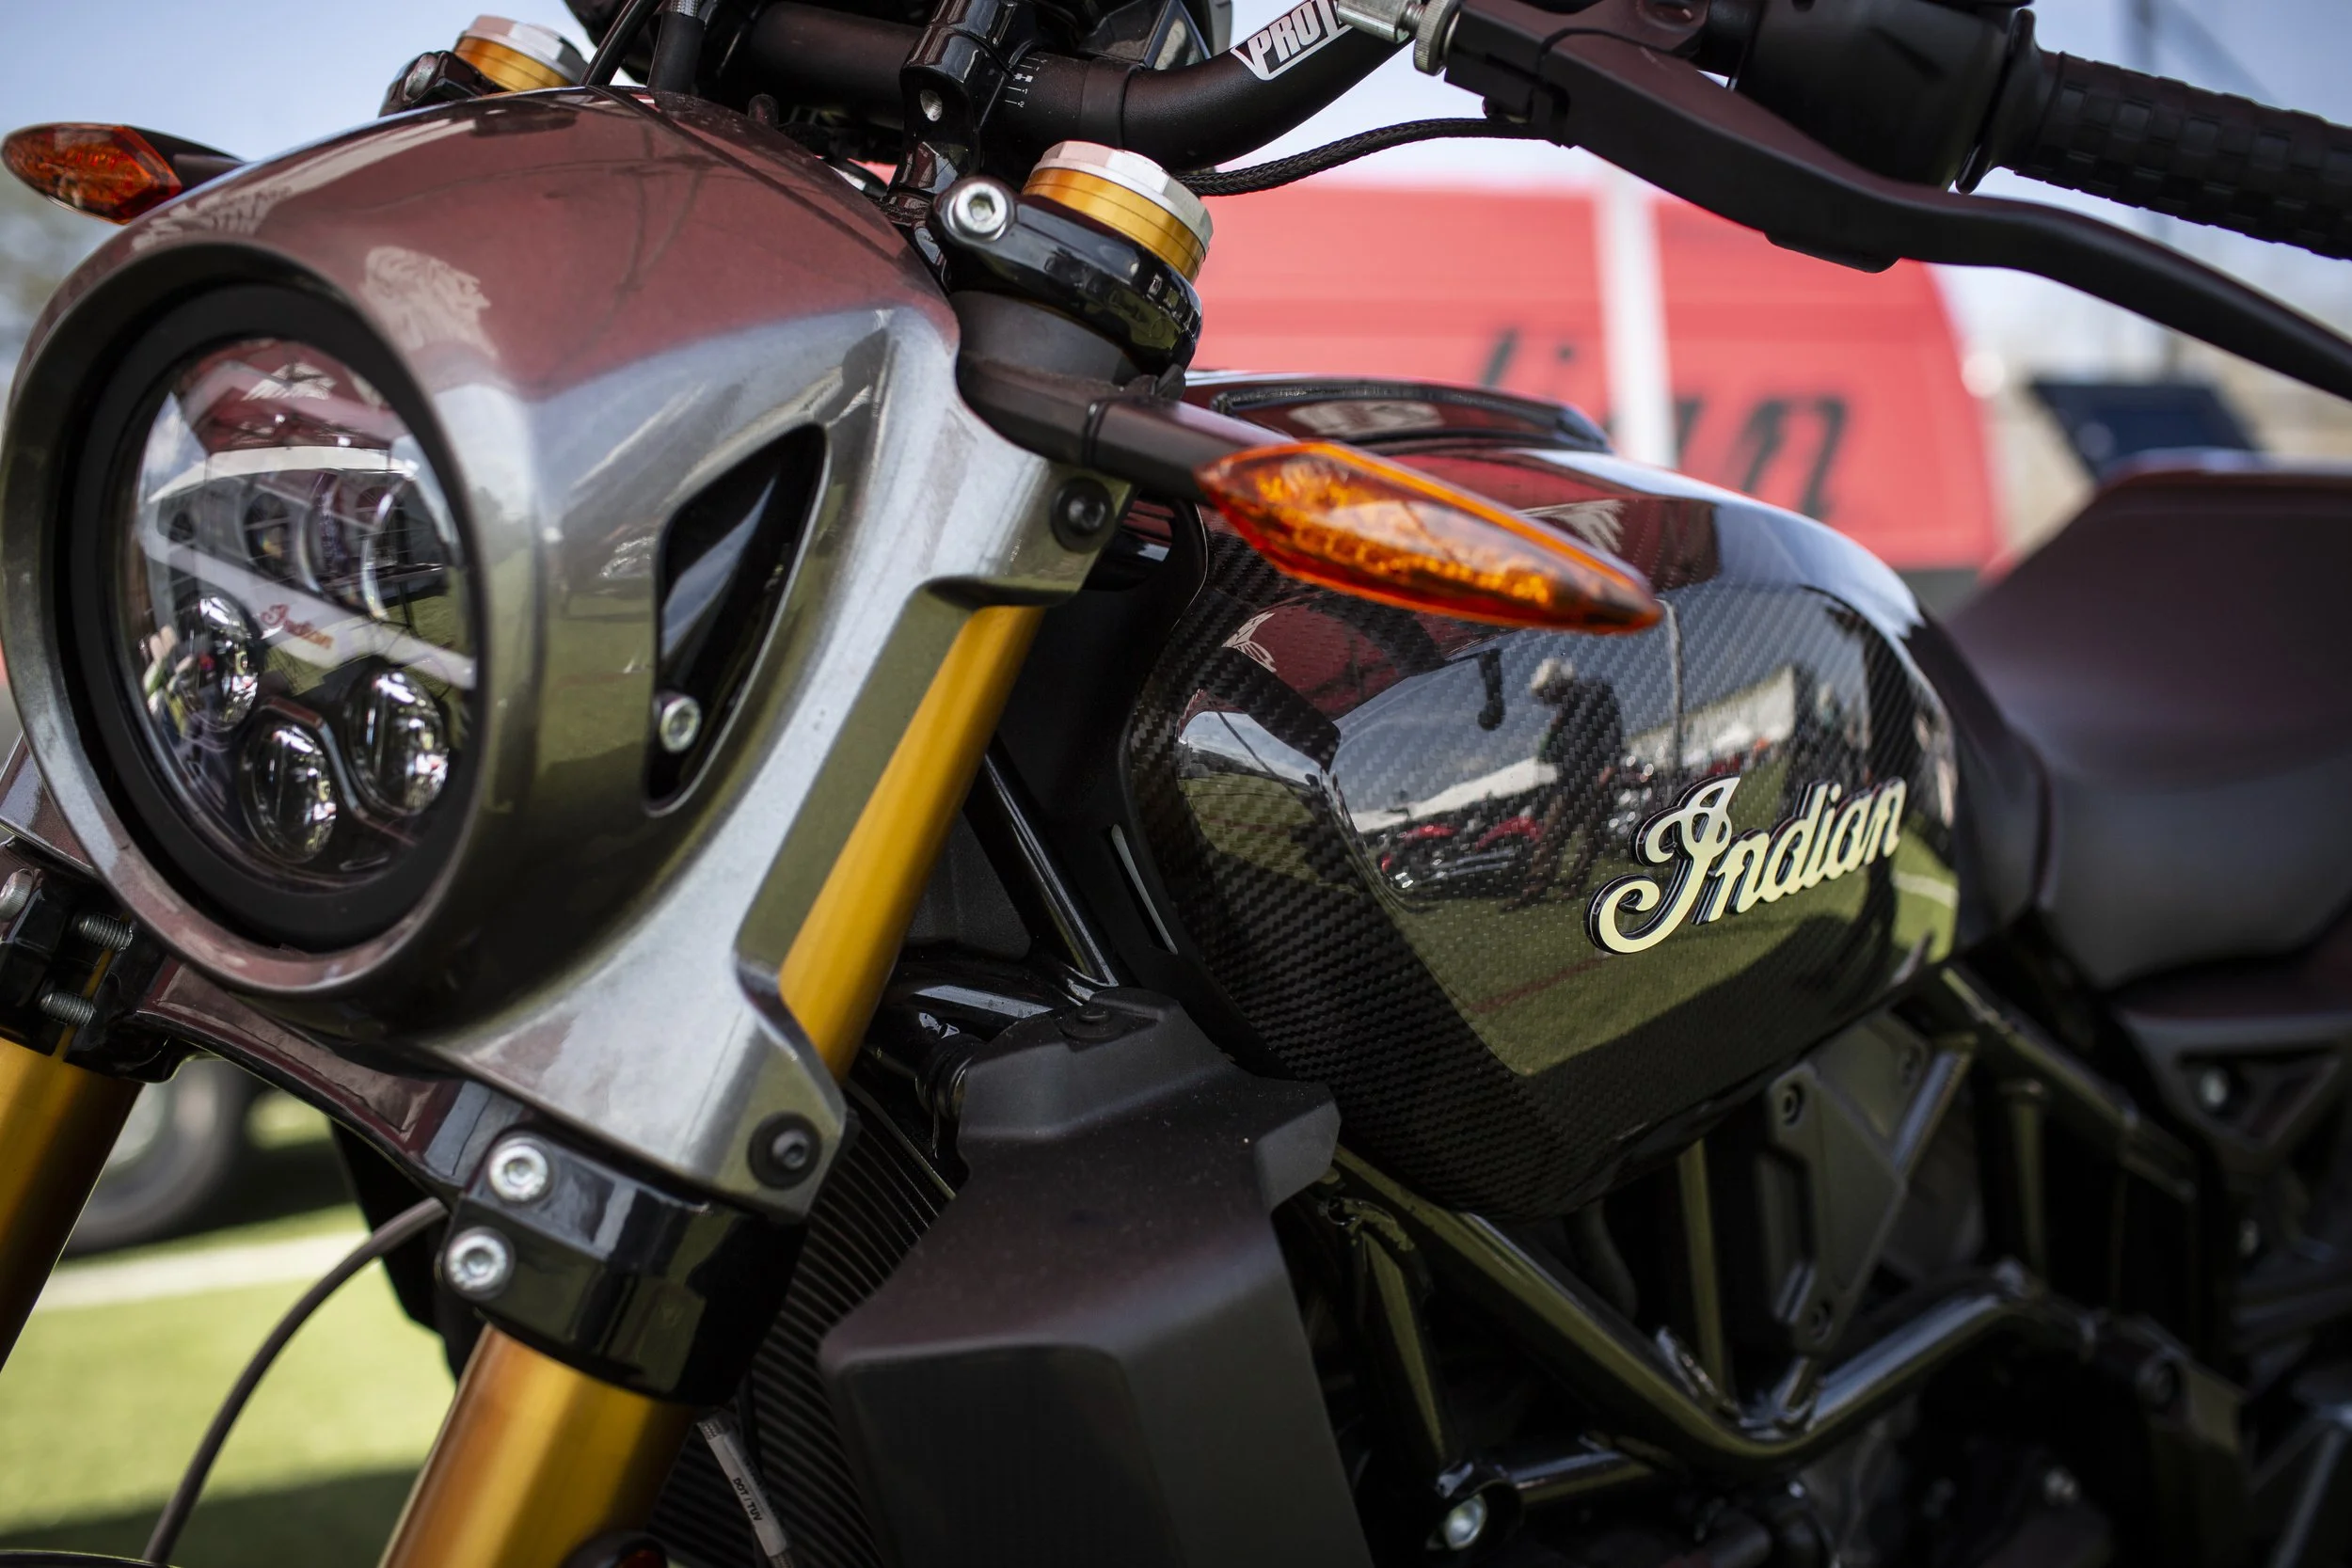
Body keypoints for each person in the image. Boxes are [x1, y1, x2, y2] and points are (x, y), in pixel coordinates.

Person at [1505, 656, 1624, 911]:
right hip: (1569, 783)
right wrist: (1553, 731)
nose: (1545, 701)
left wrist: (1611, 765)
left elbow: (1612, 728)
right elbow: (1547, 757)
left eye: (1545, 694)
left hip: (1596, 779)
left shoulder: (1595, 691)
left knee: (1592, 836)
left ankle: (1574, 885)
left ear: (1558, 684)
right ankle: (1534, 888)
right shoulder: (1562, 713)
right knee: (1551, 834)